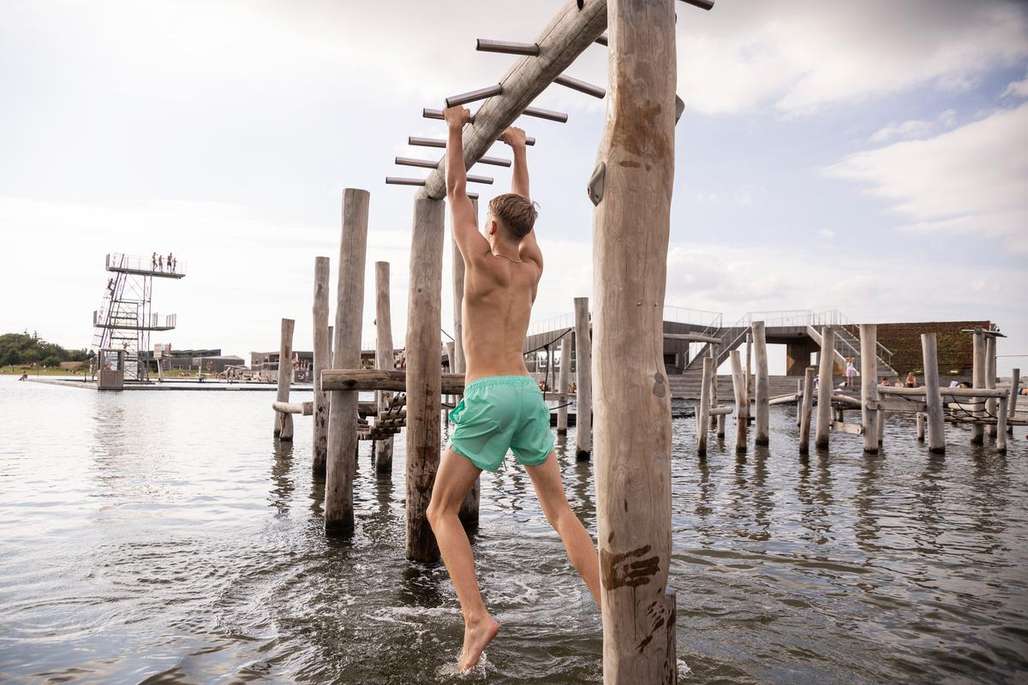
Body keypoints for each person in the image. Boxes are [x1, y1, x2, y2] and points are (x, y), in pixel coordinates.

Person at [426, 104, 600, 673]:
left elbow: (455, 190)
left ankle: (477, 618)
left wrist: (455, 129)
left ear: (492, 228)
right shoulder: (531, 268)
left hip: (491, 393)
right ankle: (611, 608)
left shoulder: (479, 261)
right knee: (558, 510)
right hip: (529, 394)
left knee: (440, 510)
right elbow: (523, 215)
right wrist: (519, 150)